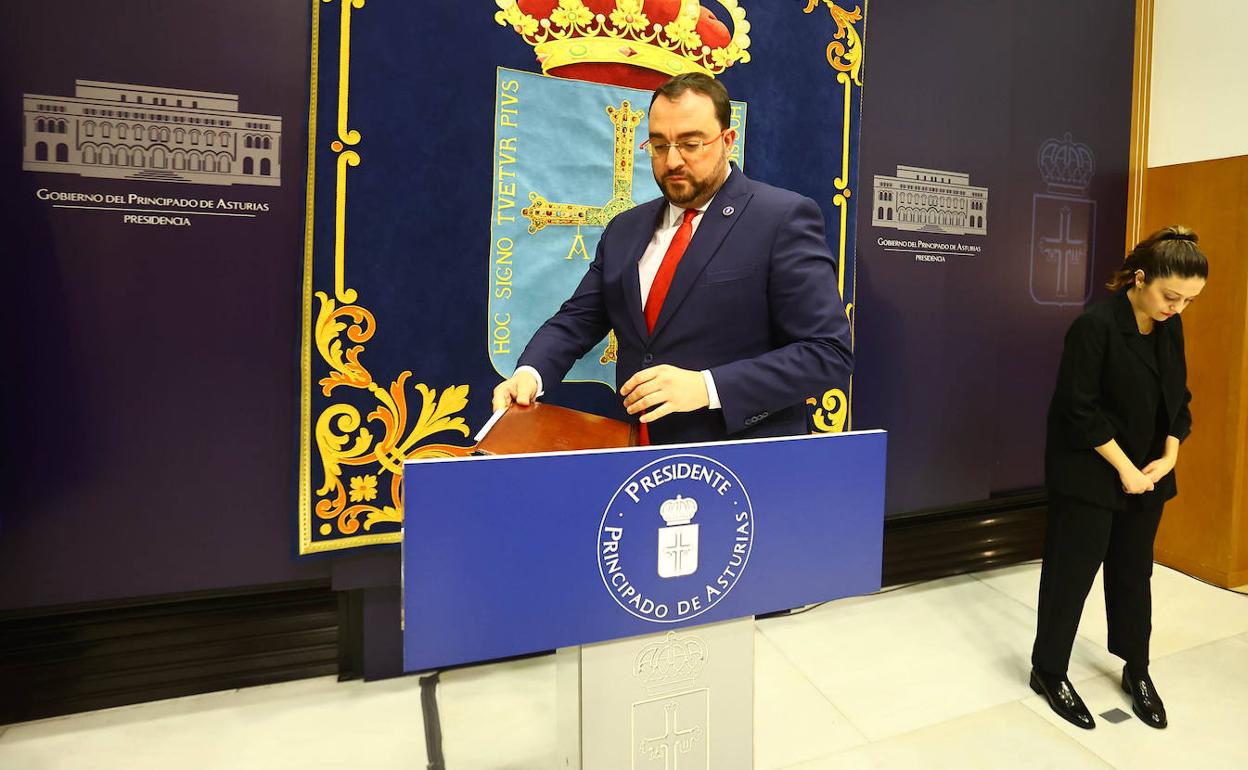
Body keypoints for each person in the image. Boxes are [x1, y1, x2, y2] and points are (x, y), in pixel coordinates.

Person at [491, 73, 852, 444]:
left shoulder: (781, 218)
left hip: (746, 462)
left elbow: (827, 353)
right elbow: (578, 320)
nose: (673, 160)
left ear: (728, 140)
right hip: (642, 456)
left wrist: (707, 387)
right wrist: (531, 374)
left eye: (691, 143)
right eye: (660, 146)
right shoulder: (625, 229)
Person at [1030, 225, 1209, 730]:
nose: (1177, 308)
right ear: (1140, 278)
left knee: (1134, 574)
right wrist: (1126, 469)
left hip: (1147, 474)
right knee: (1072, 574)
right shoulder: (1096, 326)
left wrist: (1171, 454)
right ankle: (1048, 669)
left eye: (1189, 301)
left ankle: (1137, 667)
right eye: (1170, 295)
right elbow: (1078, 411)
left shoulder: (1168, 325)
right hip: (1090, 470)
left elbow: (1179, 399)